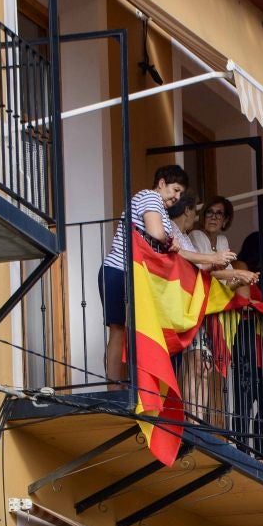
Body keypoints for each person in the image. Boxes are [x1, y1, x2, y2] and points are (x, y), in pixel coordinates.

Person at [102, 163, 186, 385]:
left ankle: (124, 385)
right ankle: (114, 387)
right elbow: (156, 232)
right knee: (119, 330)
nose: (177, 197)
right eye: (175, 189)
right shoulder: (150, 197)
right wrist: (170, 242)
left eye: (181, 193)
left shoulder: (160, 209)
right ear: (161, 184)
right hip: (119, 270)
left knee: (127, 331)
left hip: (130, 275)